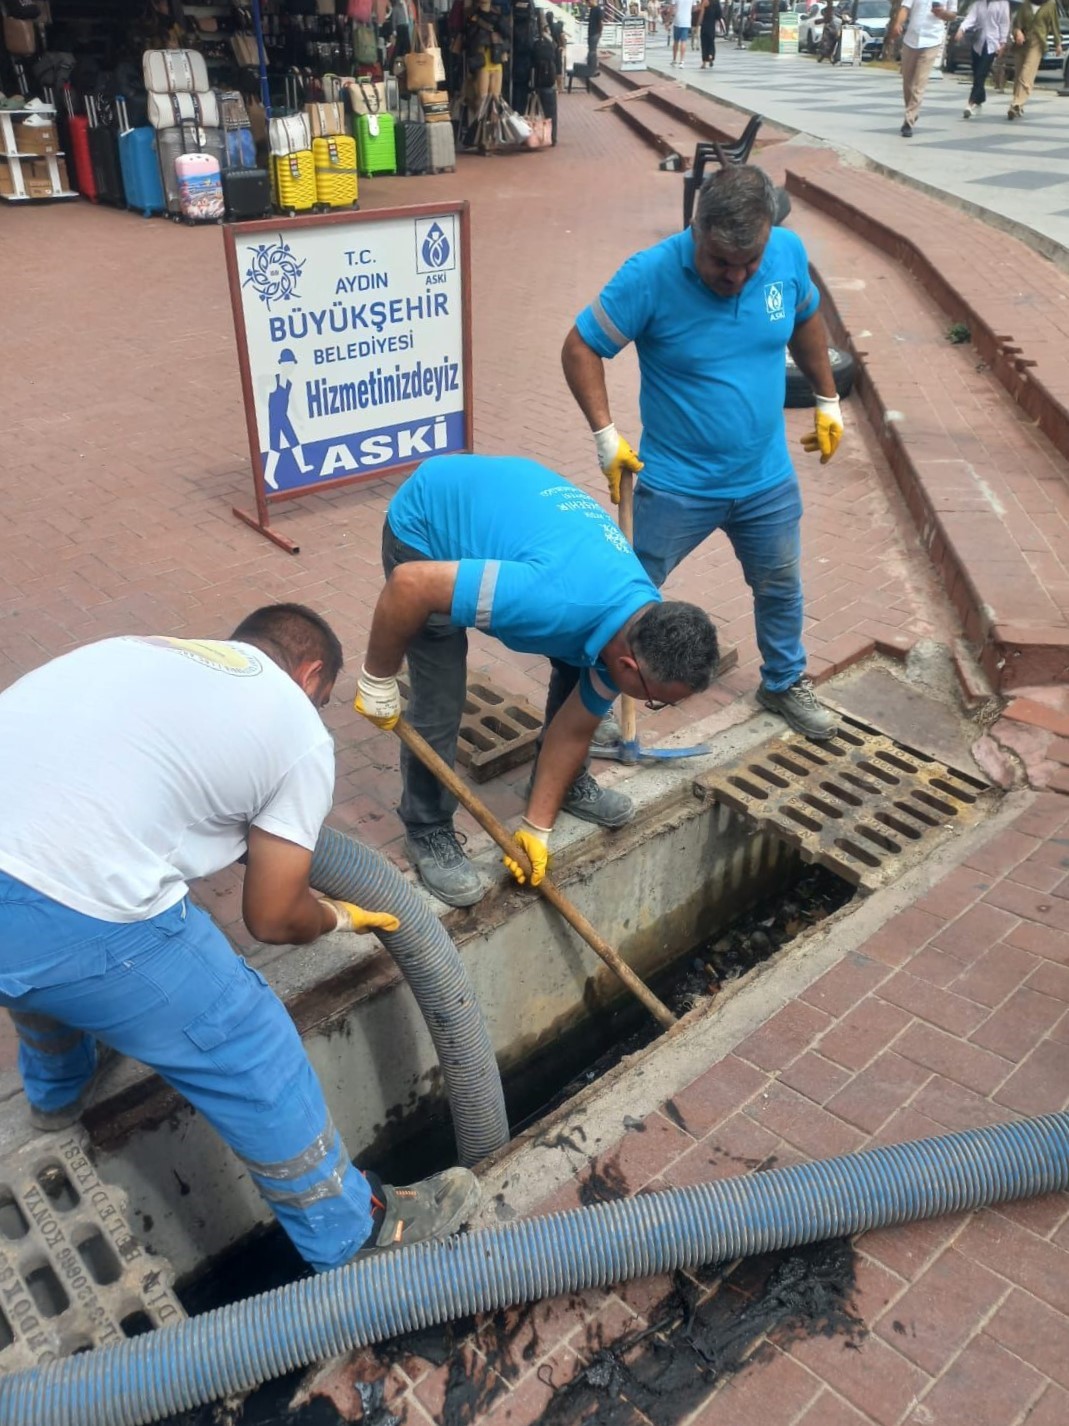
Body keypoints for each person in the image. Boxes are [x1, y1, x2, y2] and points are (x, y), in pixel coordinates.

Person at [0, 605, 479, 1272]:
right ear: (310, 674)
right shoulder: (296, 729)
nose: (316, 713)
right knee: (245, 1034)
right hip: (68, 905)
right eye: (322, 698)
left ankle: (58, 1092)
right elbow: (274, 917)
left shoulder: (142, 645)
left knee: (43, 967)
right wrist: (336, 918)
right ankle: (354, 1237)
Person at [353, 454, 720, 908]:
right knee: (441, 697)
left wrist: (536, 829)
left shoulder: (640, 621)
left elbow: (576, 725)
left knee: (577, 665)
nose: (649, 706)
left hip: (514, 523)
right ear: (629, 667)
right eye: (654, 701)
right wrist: (377, 678)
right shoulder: (550, 600)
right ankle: (427, 829)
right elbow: (409, 586)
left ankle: (562, 787)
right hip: (429, 529)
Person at [561, 165, 844, 746]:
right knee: (624, 595)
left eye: (750, 263)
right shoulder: (650, 275)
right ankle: (591, 708)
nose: (737, 277)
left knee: (781, 587)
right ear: (696, 229)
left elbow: (807, 316)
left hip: (765, 479)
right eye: (721, 262)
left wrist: (827, 397)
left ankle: (784, 682)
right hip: (675, 484)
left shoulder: (787, 254)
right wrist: (605, 434)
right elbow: (581, 346)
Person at [889, 0, 957, 136]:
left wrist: (942, 13)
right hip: (911, 38)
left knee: (919, 82)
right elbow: (905, 8)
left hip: (932, 40)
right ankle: (912, 111)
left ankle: (909, 120)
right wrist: (898, 24)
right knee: (907, 81)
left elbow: (953, 15)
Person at [1008, 0, 1062, 117]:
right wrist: (1018, 32)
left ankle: (1016, 104)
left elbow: (1055, 24)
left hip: (1038, 42)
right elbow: (1016, 24)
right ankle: (1018, 104)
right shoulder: (1026, 4)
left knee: (1027, 72)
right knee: (1018, 75)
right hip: (1022, 44)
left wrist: (1058, 44)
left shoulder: (1050, 4)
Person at [958, 0, 1010, 116]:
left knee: (980, 74)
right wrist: (962, 29)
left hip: (992, 43)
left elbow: (1004, 23)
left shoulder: (1002, 3)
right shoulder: (979, 3)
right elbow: (971, 18)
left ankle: (970, 104)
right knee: (976, 71)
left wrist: (1002, 42)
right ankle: (980, 99)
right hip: (978, 42)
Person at [698, 0, 722, 65]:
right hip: (712, 26)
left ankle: (704, 63)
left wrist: (698, 23)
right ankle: (711, 55)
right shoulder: (716, 2)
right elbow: (719, 15)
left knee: (704, 44)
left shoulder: (705, 2)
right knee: (711, 42)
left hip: (705, 25)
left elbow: (701, 14)